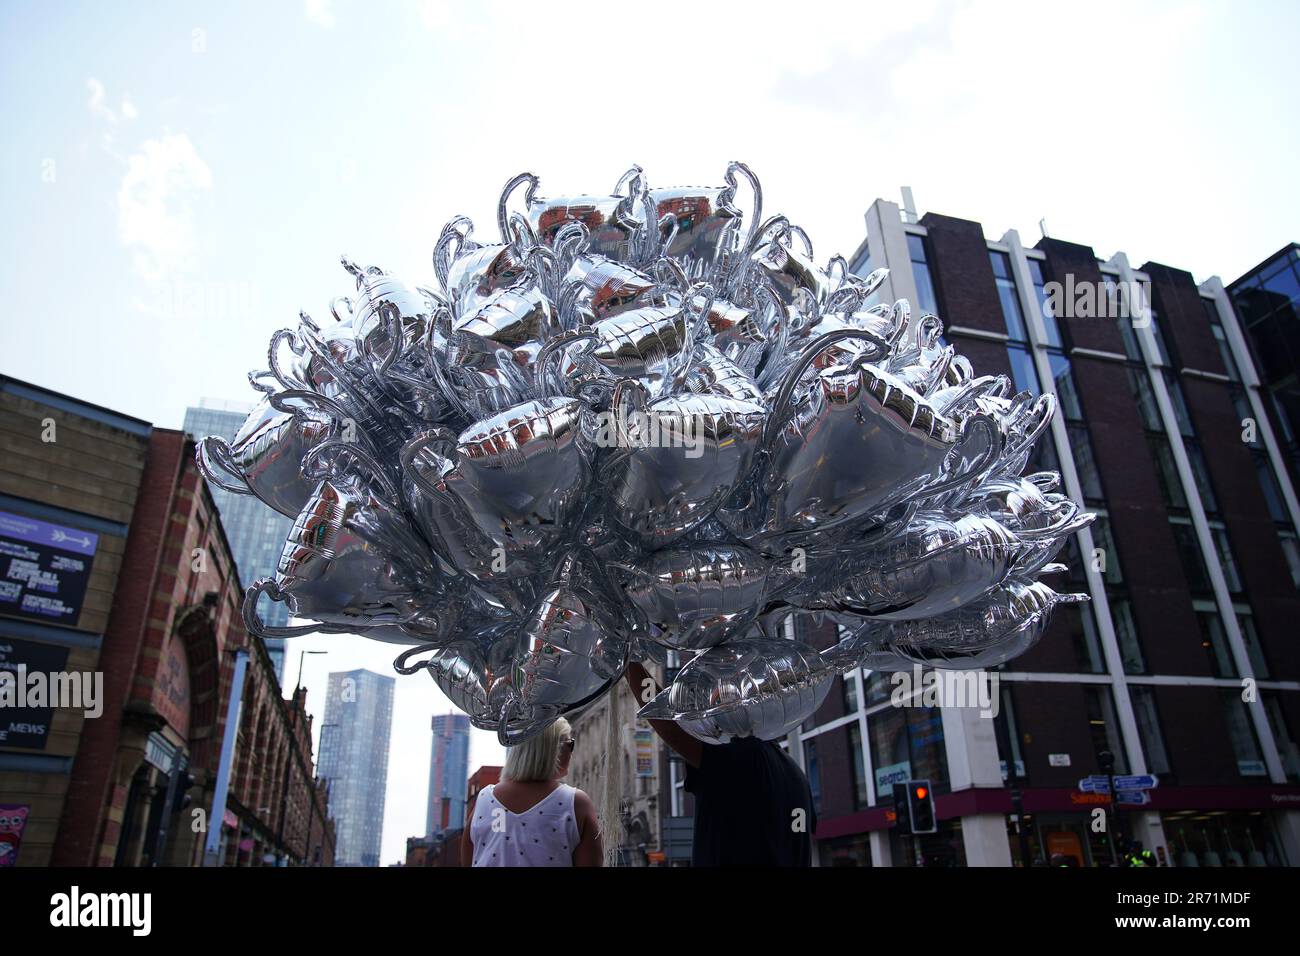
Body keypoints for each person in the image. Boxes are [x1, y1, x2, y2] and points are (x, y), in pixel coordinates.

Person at [624, 661, 817, 866]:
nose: (708, 718)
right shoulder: (797, 775)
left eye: (715, 707)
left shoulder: (744, 757)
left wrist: (629, 665)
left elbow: (672, 727)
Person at [462, 717, 603, 867]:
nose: (572, 752)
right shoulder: (575, 802)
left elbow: (468, 860)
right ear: (554, 749)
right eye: (570, 744)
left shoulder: (484, 799)